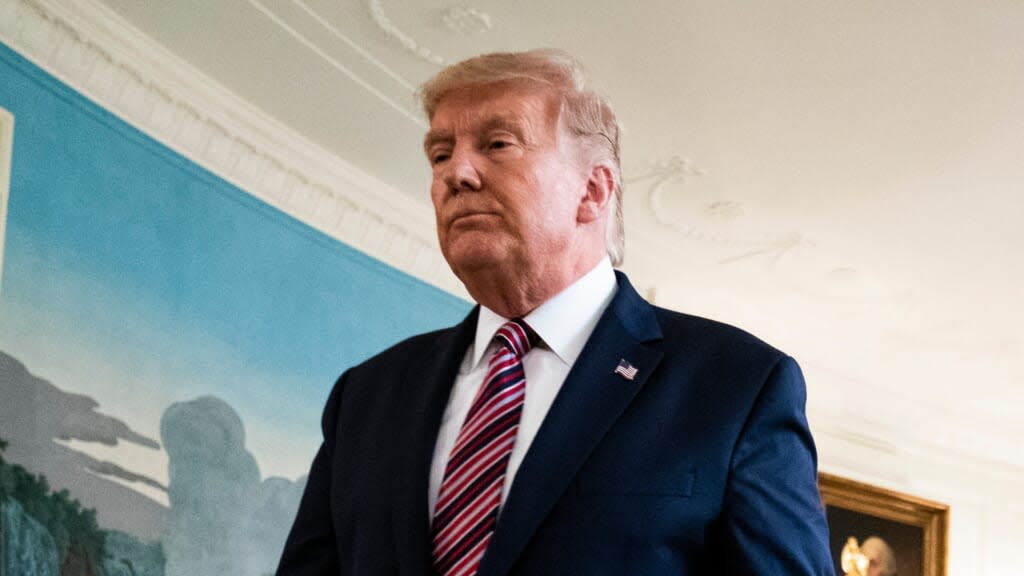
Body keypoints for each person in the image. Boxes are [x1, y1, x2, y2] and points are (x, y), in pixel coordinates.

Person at [277, 49, 831, 575]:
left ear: (592, 190)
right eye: (440, 153)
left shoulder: (736, 386)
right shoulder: (365, 396)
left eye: (496, 144)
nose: (456, 174)